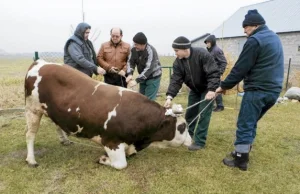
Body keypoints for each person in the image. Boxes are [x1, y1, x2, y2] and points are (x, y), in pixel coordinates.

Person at [216, 9, 284, 171]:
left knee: (245, 123)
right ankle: (243, 150)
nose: (244, 31)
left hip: (257, 90)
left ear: (254, 26)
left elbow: (240, 68)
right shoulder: (274, 37)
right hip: (273, 91)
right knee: (252, 121)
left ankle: (241, 160)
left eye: (245, 27)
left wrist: (224, 86)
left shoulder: (255, 40)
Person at [164, 36, 220, 151]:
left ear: (185, 49)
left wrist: (211, 89)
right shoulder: (178, 63)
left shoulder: (202, 54)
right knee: (190, 113)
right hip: (194, 90)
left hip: (207, 89)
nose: (175, 54)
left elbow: (213, 72)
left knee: (204, 114)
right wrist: (169, 97)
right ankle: (187, 134)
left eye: (176, 51)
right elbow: (176, 80)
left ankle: (200, 141)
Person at [126, 32, 162, 100]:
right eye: (134, 43)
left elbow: (149, 69)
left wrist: (136, 81)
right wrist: (130, 74)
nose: (134, 45)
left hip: (153, 77)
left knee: (149, 101)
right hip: (143, 77)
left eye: (136, 44)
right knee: (141, 99)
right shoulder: (133, 49)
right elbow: (130, 62)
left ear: (143, 44)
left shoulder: (151, 51)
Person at [204, 35, 227, 112]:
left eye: (208, 42)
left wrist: (220, 73)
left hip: (216, 74)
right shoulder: (210, 51)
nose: (207, 44)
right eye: (206, 42)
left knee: (216, 90)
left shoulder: (217, 50)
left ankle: (220, 106)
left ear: (212, 42)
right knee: (211, 89)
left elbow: (223, 62)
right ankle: (212, 104)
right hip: (210, 74)